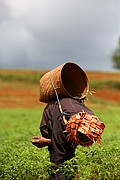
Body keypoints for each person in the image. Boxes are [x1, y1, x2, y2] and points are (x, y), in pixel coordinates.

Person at [31, 97, 94, 179]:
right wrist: (51, 141)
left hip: (69, 122)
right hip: (53, 114)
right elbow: (57, 159)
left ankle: (70, 174)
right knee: (58, 159)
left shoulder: (91, 123)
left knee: (69, 154)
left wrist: (49, 141)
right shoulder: (62, 124)